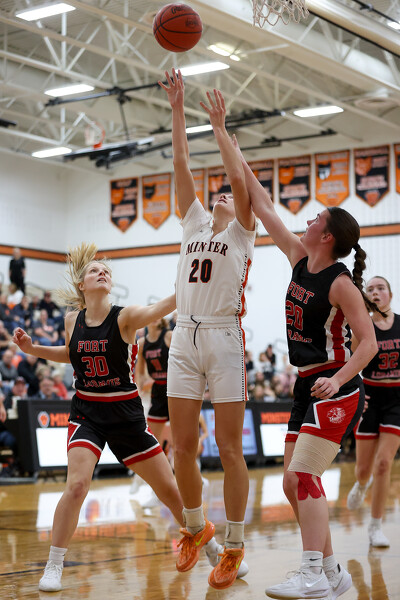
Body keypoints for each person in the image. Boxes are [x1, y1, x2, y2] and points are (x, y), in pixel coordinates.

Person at [12, 242, 222, 593]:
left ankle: (214, 549)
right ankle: (54, 564)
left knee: (170, 491)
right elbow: (71, 353)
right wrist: (34, 349)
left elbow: (159, 308)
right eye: (94, 270)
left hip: (126, 416)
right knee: (77, 486)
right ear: (82, 285)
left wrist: (185, 288)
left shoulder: (125, 317)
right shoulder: (71, 320)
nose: (102, 273)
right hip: (87, 413)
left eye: (106, 271)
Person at [234, 139, 378, 600]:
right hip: (305, 385)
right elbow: (263, 205)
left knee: (305, 478)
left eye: (317, 218)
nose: (309, 220)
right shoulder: (299, 258)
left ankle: (312, 572)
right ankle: (332, 572)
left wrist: (337, 379)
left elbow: (369, 343)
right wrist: (233, 149)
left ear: (328, 236)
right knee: (290, 481)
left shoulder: (341, 284)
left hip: (335, 386)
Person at [159, 69, 255, 590]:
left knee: (230, 447)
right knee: (183, 446)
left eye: (226, 194)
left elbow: (238, 181)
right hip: (184, 336)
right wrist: (178, 109)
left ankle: (235, 545)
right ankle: (196, 529)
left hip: (224, 337)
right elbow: (180, 162)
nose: (220, 194)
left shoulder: (241, 232)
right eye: (215, 193)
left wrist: (219, 128)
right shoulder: (193, 222)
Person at [347, 276, 400, 547]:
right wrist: (356, 393)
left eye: (381, 288)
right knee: (364, 469)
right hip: (370, 397)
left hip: (397, 400)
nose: (376, 292)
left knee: (383, 463)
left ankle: (375, 526)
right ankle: (361, 484)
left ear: (390, 294)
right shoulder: (362, 327)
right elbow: (349, 363)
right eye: (370, 289)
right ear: (366, 297)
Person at [135, 317, 172, 444]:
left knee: (179, 442)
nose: (155, 317)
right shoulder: (142, 343)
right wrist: (138, 392)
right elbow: (140, 373)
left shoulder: (169, 336)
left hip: (173, 389)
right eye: (151, 314)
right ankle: (162, 451)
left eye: (158, 315)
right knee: (152, 441)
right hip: (158, 390)